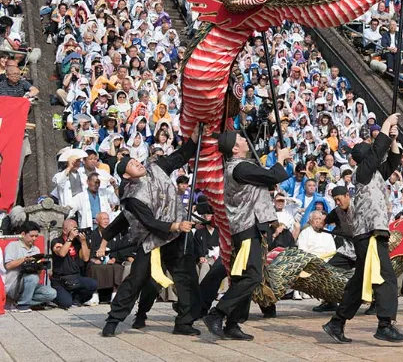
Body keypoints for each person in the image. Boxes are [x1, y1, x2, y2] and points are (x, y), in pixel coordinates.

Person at [99, 128, 201, 337]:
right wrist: (176, 225)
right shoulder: (132, 196)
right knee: (138, 280)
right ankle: (114, 319)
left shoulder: (156, 168)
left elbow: (179, 157)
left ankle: (184, 322)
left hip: (175, 238)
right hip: (152, 241)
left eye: (135, 160)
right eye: (130, 164)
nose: (136, 162)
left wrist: (194, 138)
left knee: (187, 278)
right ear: (126, 175)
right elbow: (148, 222)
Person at [323, 114, 403, 344]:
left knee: (360, 281)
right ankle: (385, 324)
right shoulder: (362, 172)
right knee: (387, 277)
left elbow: (392, 159)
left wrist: (392, 139)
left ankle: (336, 322)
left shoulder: (376, 173)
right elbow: (378, 153)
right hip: (369, 233)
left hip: (370, 233)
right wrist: (387, 123)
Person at [203, 132, 291, 341]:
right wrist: (279, 159)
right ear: (234, 148)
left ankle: (232, 324)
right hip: (247, 227)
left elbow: (267, 181)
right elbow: (273, 176)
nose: (244, 140)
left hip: (251, 226)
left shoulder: (242, 167)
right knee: (253, 277)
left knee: (243, 277)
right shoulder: (240, 168)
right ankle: (218, 313)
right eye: (241, 139)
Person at [4, 221, 57, 312]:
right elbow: (8, 265)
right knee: (32, 278)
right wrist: (24, 259)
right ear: (23, 234)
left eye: (36, 236)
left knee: (51, 293)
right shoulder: (13, 246)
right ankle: (23, 305)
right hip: (14, 285)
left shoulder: (35, 249)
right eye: (31, 236)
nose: (34, 239)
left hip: (30, 285)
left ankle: (20, 303)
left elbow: (36, 273)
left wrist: (39, 267)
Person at [50, 219, 99, 308]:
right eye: (73, 229)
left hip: (75, 277)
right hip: (60, 280)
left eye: (77, 229)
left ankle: (76, 299)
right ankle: (56, 298)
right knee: (65, 304)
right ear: (65, 230)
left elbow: (86, 258)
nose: (76, 231)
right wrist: (70, 239)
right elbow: (61, 253)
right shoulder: (56, 241)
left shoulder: (77, 243)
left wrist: (83, 242)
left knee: (93, 284)